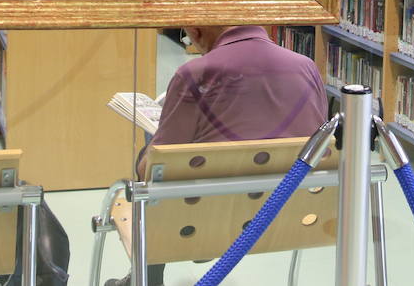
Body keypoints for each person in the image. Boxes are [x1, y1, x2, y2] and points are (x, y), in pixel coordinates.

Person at [105, 24, 328, 286]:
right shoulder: (306, 66)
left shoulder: (195, 73)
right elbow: (318, 142)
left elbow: (153, 169)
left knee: (152, 155)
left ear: (197, 32)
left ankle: (147, 276)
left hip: (202, 223)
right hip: (290, 216)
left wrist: (148, 151)